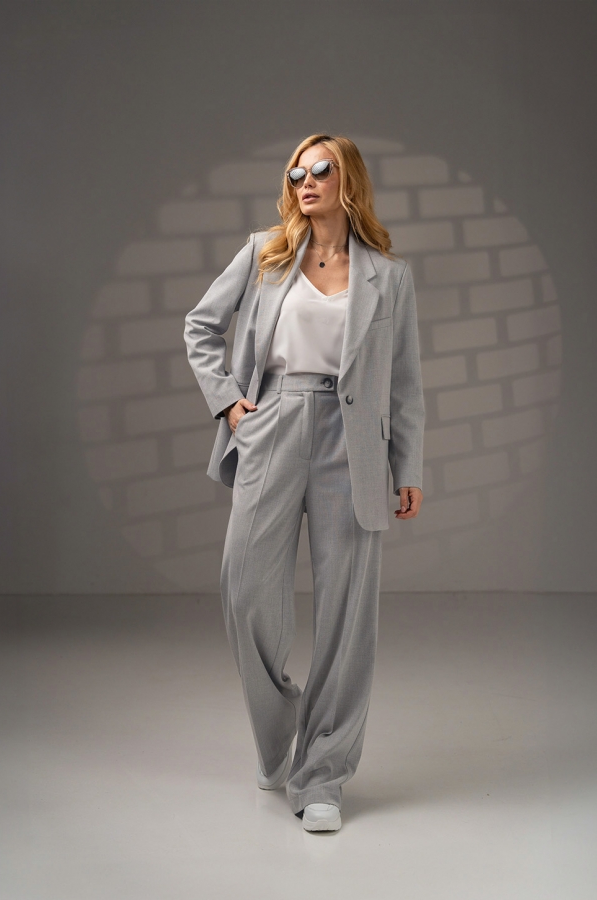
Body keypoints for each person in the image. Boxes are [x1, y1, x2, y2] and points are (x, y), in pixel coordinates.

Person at [184, 133, 425, 832]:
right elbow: (201, 326)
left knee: (348, 615)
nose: (305, 181)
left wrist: (408, 466)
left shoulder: (389, 277)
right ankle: (278, 731)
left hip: (355, 443)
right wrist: (231, 404)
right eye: (295, 172)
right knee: (245, 588)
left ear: (350, 179)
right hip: (273, 424)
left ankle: (323, 775)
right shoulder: (264, 253)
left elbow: (404, 381)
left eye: (321, 169)